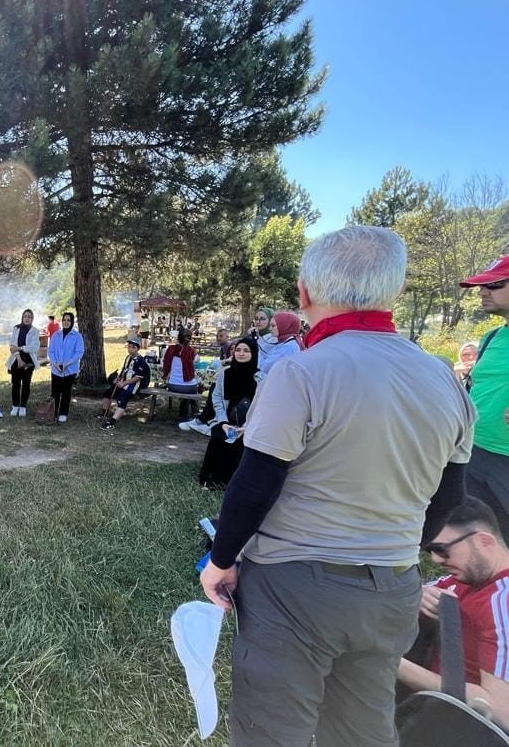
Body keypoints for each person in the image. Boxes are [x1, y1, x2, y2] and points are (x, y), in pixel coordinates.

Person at [199, 225, 475, 747]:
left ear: (304, 293)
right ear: (396, 291)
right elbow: (450, 494)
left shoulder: (301, 373)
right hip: (392, 587)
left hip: (294, 586)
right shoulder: (444, 378)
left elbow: (255, 484)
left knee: (271, 729)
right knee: (362, 728)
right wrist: (394, 551)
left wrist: (221, 560)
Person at [396, 498, 509, 727]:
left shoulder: (502, 602)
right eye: (429, 550)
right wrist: (418, 594)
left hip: (464, 730)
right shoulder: (467, 578)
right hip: (436, 714)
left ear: (484, 540)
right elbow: (404, 597)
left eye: (442, 550)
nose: (436, 559)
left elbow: (499, 711)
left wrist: (391, 663)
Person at [457, 257, 509, 538]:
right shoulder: (491, 337)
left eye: (494, 285)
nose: (482, 292)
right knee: (485, 536)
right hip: (475, 452)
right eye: (482, 286)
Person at [197, 337, 260, 487]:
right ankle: (213, 479)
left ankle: (233, 481)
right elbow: (217, 398)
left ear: (253, 353)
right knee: (219, 437)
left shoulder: (260, 378)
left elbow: (261, 405)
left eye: (246, 351)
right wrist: (223, 422)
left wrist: (246, 426)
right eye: (238, 350)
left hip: (249, 423)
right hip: (225, 418)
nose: (241, 353)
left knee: (241, 443)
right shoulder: (225, 373)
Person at [181, 328, 232, 435]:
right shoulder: (223, 348)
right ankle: (200, 416)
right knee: (209, 387)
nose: (218, 338)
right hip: (220, 380)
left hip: (229, 384)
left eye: (221, 336)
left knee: (210, 388)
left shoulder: (229, 347)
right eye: (217, 336)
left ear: (228, 337)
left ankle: (202, 418)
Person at [97, 337, 151, 430]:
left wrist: (124, 383)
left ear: (138, 348)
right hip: (124, 382)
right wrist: (118, 378)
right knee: (108, 393)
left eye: (133, 347)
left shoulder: (141, 362)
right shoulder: (128, 358)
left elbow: (138, 378)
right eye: (129, 347)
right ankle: (104, 414)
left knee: (122, 399)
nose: (130, 349)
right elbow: (124, 370)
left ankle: (112, 422)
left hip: (133, 385)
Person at [47, 311, 85, 423]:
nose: (66, 322)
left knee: (66, 392)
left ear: (72, 322)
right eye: (64, 320)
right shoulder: (56, 335)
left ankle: (63, 413)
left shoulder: (77, 336)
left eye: (68, 320)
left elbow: (79, 352)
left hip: (70, 369)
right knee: (55, 392)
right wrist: (55, 363)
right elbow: (51, 351)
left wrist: (67, 363)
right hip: (56, 369)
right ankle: (53, 412)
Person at [161, 327, 200, 419]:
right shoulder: (191, 351)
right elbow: (197, 360)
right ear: (189, 339)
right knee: (192, 388)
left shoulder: (170, 349)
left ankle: (183, 415)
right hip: (188, 387)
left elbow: (164, 364)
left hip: (172, 385)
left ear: (178, 338)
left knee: (187, 389)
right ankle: (195, 414)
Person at [7, 308, 40, 416]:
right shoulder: (16, 328)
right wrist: (19, 358)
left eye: (29, 317)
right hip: (16, 359)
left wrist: (21, 348)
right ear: (22, 317)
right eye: (25, 316)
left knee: (26, 384)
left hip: (29, 361)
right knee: (15, 384)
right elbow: (12, 346)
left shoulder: (35, 331)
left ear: (32, 319)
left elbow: (34, 347)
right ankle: (15, 406)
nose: (27, 318)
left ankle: (23, 406)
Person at [258, 309, 304, 374]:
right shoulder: (287, 342)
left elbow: (265, 367)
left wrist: (254, 352)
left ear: (284, 326)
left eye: (273, 326)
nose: (270, 329)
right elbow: (269, 354)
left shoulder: (289, 346)